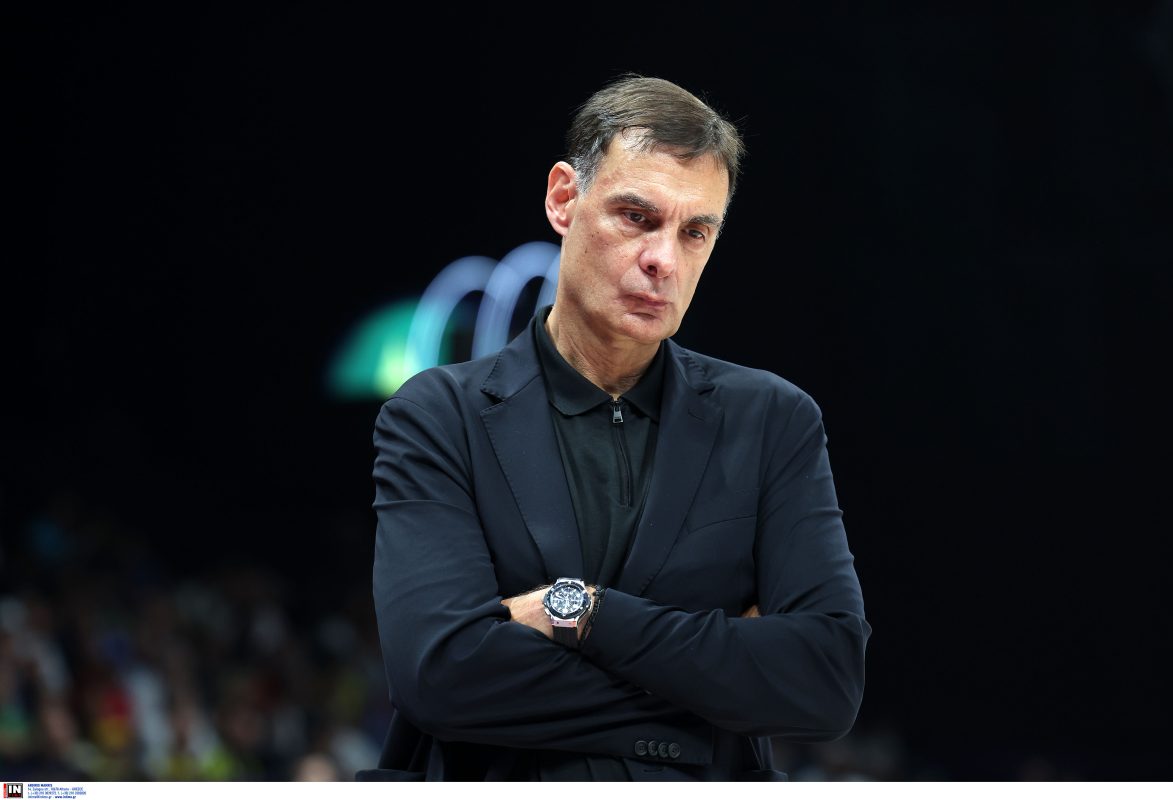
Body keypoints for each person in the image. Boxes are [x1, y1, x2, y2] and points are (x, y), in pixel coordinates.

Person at [361, 75, 871, 781]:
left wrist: (581, 613)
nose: (664, 259)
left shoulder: (773, 420)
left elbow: (825, 682)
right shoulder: (437, 415)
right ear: (562, 198)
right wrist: (716, 698)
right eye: (636, 217)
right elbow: (441, 677)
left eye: (695, 232)